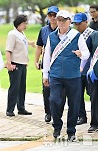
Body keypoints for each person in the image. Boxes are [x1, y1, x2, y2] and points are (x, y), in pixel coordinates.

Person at [43, 10, 90, 141]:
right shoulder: (51, 36)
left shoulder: (76, 36)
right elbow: (47, 57)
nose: (61, 23)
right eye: (59, 20)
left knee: (74, 104)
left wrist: (81, 54)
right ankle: (57, 127)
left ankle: (71, 131)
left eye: (64, 20)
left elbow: (86, 53)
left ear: (69, 21)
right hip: (56, 75)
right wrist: (45, 75)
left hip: (73, 76)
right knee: (54, 101)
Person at [5, 14, 35, 117]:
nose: (26, 25)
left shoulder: (21, 33)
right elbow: (8, 50)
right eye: (24, 23)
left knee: (22, 87)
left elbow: (25, 42)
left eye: (26, 23)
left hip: (23, 64)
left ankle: (21, 108)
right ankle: (10, 109)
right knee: (14, 87)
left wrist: (32, 44)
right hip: (15, 64)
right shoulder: (12, 34)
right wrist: (9, 63)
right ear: (18, 23)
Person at [35, 6, 59, 122]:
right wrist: (36, 60)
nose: (53, 18)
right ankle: (48, 112)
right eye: (50, 15)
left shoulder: (63, 29)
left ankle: (57, 113)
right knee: (46, 89)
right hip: (46, 63)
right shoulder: (43, 30)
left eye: (55, 15)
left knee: (59, 89)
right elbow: (39, 46)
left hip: (59, 64)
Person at [72, 13, 95, 125]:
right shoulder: (74, 35)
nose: (77, 26)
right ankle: (82, 116)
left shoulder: (92, 34)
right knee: (78, 95)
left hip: (90, 70)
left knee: (93, 95)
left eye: (79, 23)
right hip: (78, 70)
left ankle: (94, 117)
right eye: (75, 24)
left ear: (86, 22)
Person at [87, 31, 98, 133]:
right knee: (94, 99)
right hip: (96, 73)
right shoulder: (93, 36)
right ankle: (94, 123)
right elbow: (87, 53)